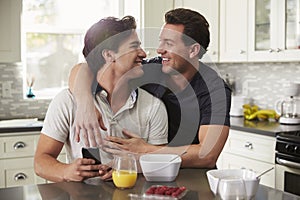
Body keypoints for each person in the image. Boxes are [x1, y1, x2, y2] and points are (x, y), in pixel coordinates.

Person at [70, 8, 231, 168]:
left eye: (169, 43)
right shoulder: (152, 69)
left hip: (192, 177)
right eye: (161, 41)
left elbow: (207, 155)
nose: (160, 49)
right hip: (151, 172)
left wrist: (147, 150)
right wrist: (86, 104)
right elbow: (83, 69)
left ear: (193, 50)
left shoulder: (215, 90)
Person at [34, 16, 168, 182]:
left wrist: (132, 164)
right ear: (109, 54)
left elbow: (162, 163)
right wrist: (66, 171)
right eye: (135, 46)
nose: (143, 53)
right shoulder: (67, 101)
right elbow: (41, 161)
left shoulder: (153, 106)